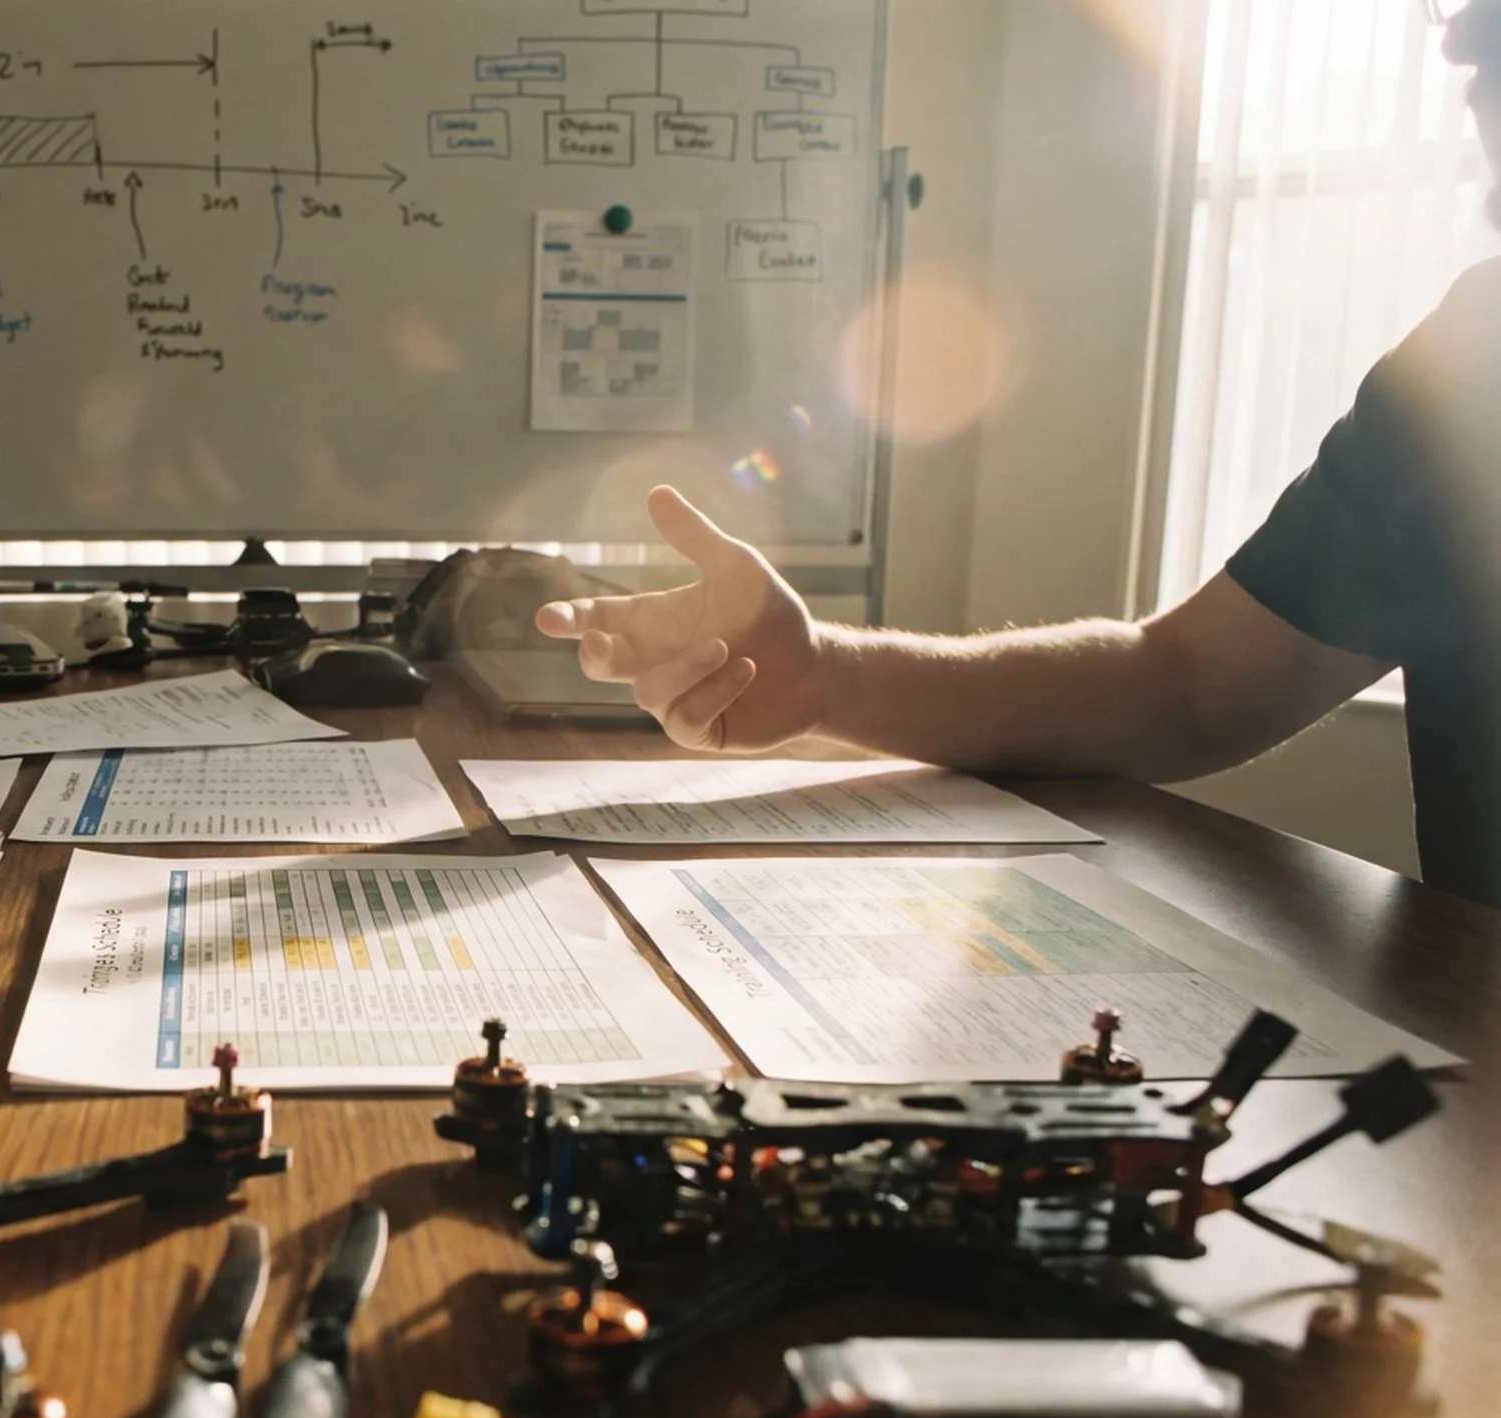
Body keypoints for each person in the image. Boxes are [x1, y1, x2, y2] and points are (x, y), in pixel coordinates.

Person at [542, 0, 1501, 909]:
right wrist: (822, 674)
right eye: (1462, 18)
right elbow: (1187, 686)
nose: (1460, 52)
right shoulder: (1469, 362)